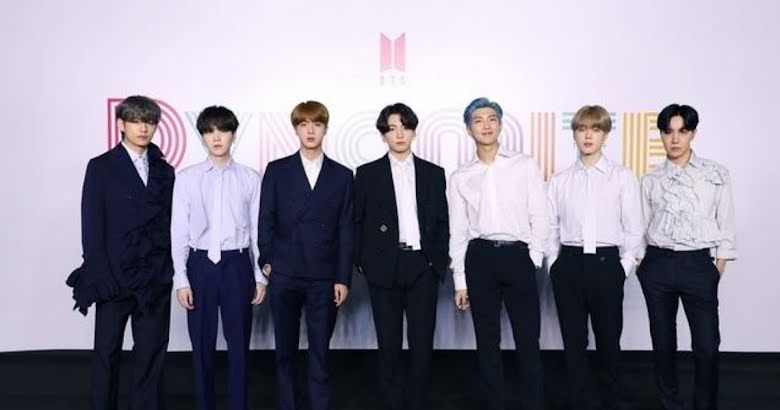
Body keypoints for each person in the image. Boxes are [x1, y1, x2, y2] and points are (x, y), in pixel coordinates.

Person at [67, 95, 175, 410]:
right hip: (114, 277)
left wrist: (168, 271)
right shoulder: (101, 167)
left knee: (151, 354)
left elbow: (171, 223)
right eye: (136, 121)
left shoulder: (165, 171)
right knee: (107, 352)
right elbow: (91, 224)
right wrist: (101, 275)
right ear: (121, 124)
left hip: (154, 279)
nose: (143, 128)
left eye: (150, 121)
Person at [448, 97, 548, 410]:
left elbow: (540, 215)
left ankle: (533, 403)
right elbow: (458, 230)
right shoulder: (460, 175)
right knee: (487, 339)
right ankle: (495, 402)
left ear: (501, 125)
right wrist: (460, 280)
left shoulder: (524, 164)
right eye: (478, 120)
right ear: (469, 129)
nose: (486, 125)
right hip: (480, 258)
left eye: (492, 119)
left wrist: (533, 258)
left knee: (528, 338)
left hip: (518, 256)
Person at [637, 104, 737, 410]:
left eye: (682, 131)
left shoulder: (715, 174)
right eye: (668, 132)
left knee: (706, 346)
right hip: (657, 264)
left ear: (693, 133)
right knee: (663, 343)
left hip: (698, 264)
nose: (675, 139)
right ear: (661, 135)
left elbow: (726, 222)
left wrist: (718, 265)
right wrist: (642, 265)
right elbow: (640, 226)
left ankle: (704, 405)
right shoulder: (650, 179)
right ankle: (670, 403)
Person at [258, 101, 354, 410]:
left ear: (326, 129)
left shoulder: (342, 175)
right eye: (304, 124)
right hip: (285, 272)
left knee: (320, 351)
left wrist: (342, 277)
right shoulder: (277, 170)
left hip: (324, 276)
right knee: (284, 350)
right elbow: (265, 219)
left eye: (317, 124)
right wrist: (267, 261)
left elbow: (346, 229)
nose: (310, 130)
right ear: (296, 129)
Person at [546, 104, 643, 409]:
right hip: (569, 264)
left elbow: (634, 227)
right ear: (574, 134)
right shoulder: (560, 180)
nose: (588, 135)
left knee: (608, 339)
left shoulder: (621, 177)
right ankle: (579, 401)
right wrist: (554, 265)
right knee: (573, 340)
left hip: (606, 264)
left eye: (595, 129)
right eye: (582, 129)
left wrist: (622, 268)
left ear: (605, 135)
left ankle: (610, 400)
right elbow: (550, 227)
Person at [353, 103, 449, 410]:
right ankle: (394, 402)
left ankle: (418, 402)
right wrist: (364, 263)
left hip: (422, 265)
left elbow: (443, 222)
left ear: (414, 131)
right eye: (392, 128)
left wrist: (436, 263)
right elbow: (358, 222)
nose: (399, 134)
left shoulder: (434, 173)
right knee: (389, 344)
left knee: (422, 345)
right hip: (384, 267)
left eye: (405, 127)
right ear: (383, 135)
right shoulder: (367, 174)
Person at [170, 105, 267, 410]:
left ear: (233, 135)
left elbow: (257, 231)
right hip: (200, 266)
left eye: (223, 130)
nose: (216, 137)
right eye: (209, 131)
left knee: (239, 346)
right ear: (202, 136)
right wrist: (181, 278)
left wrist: (259, 275)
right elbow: (178, 231)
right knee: (201, 346)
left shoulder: (250, 178)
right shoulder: (186, 178)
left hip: (237, 264)